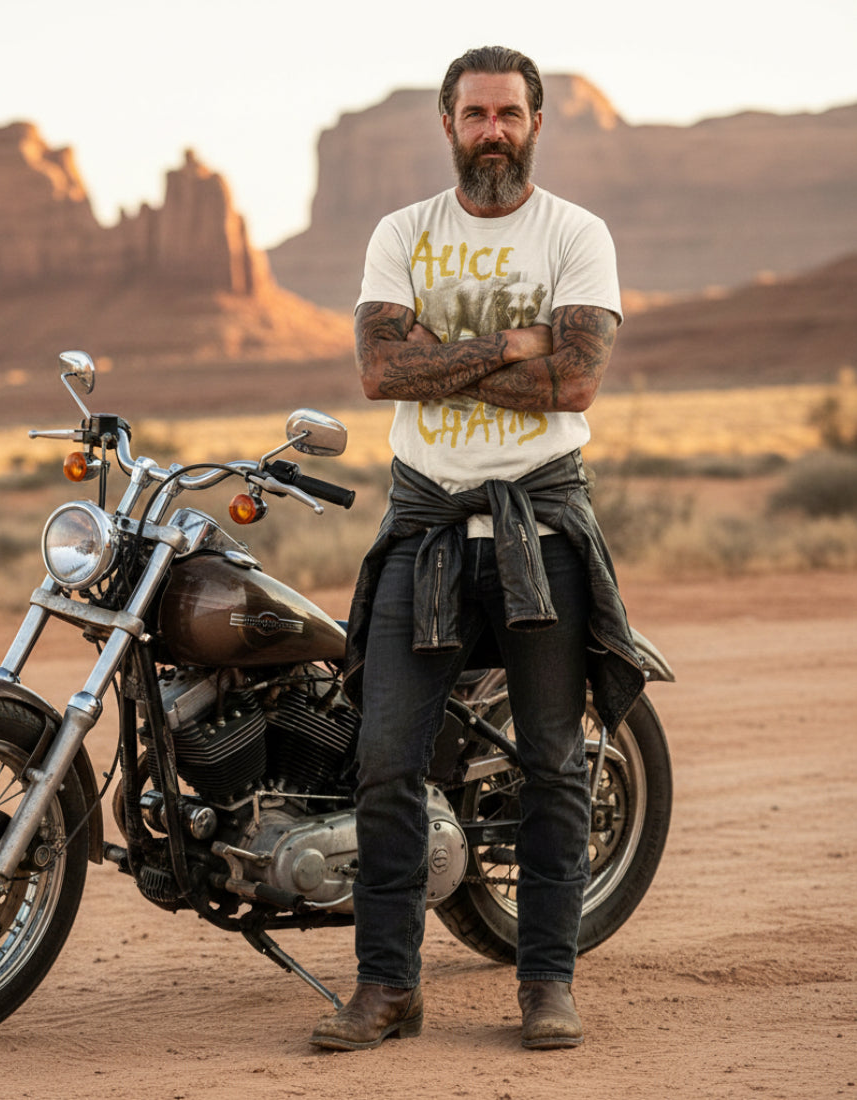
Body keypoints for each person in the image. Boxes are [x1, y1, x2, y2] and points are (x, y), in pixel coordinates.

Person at [309, 45, 646, 1052]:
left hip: (539, 527)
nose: (490, 130)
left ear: (536, 122)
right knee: (382, 760)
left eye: (507, 113)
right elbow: (378, 368)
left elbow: (576, 382)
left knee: (549, 762)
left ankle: (545, 980)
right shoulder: (401, 231)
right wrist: (509, 344)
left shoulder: (575, 234)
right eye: (473, 114)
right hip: (426, 526)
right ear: (446, 125)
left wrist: (438, 364)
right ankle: (386, 986)